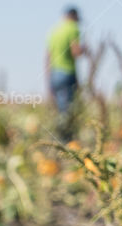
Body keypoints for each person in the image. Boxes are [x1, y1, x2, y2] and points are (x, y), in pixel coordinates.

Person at [46, 6, 84, 140]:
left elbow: (48, 56)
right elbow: (76, 51)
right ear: (74, 16)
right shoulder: (73, 28)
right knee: (68, 109)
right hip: (67, 72)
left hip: (54, 73)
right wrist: (85, 50)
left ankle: (59, 137)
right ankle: (66, 140)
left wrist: (48, 78)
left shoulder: (54, 31)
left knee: (59, 108)